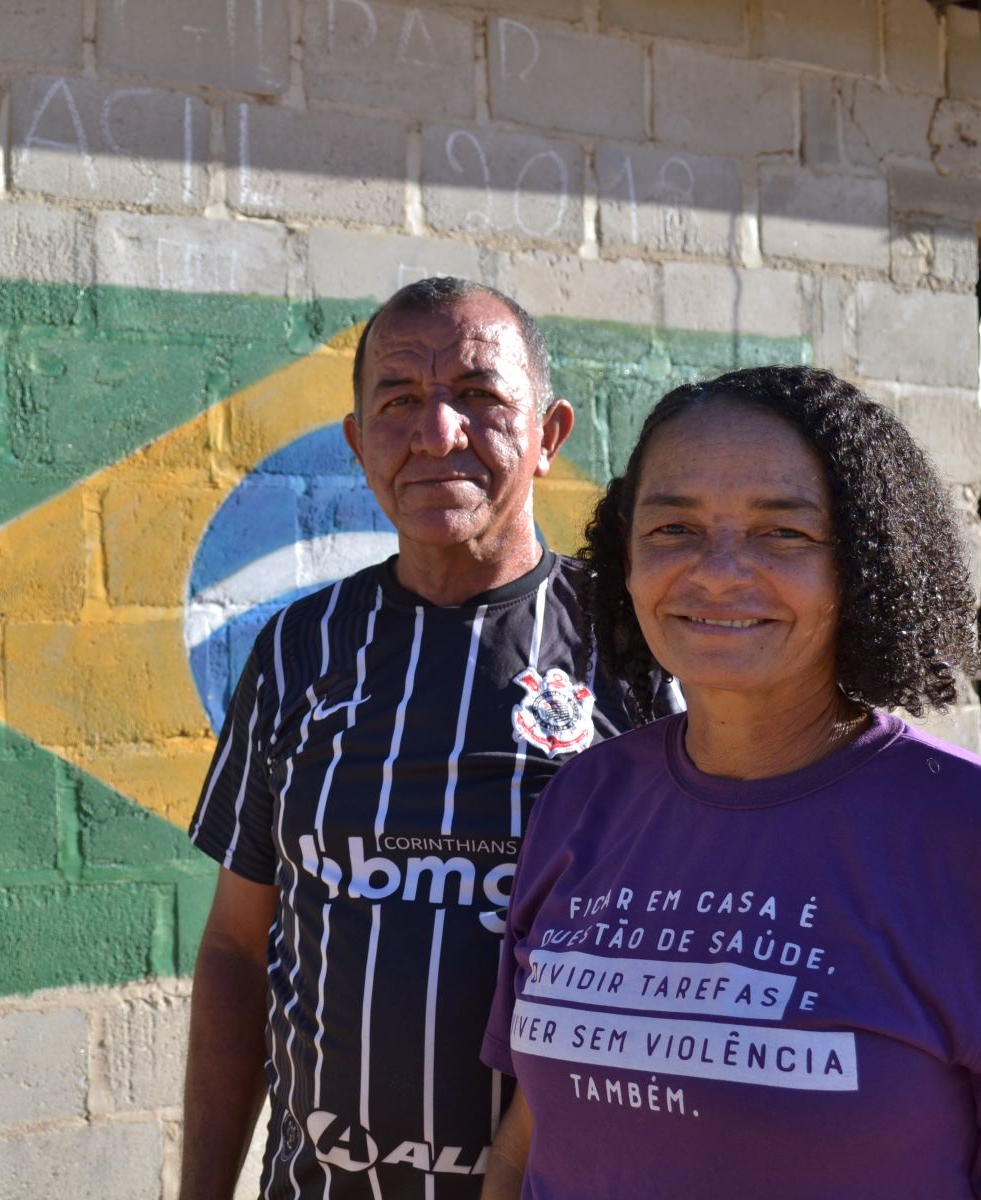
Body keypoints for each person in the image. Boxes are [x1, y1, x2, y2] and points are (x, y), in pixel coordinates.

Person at [479, 365, 981, 1198]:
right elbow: (532, 1133)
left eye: (782, 533)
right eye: (673, 527)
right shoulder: (585, 802)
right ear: (625, 554)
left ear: (862, 564)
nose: (716, 571)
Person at [181, 278, 665, 1200]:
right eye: (399, 401)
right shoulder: (299, 649)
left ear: (549, 436)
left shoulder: (637, 648)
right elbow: (238, 948)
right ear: (361, 444)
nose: (437, 433)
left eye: (481, 398)